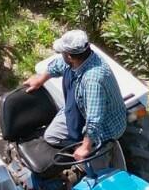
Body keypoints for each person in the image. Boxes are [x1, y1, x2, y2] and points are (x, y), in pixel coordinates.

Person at [22, 30, 127, 164]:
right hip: (80, 109)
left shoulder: (92, 81)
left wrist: (85, 147)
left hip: (104, 128)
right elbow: (58, 65)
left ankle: (104, 151)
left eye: (62, 53)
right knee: (51, 136)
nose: (61, 55)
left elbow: (94, 120)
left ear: (70, 56)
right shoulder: (79, 59)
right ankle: (79, 142)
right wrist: (40, 80)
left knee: (93, 170)